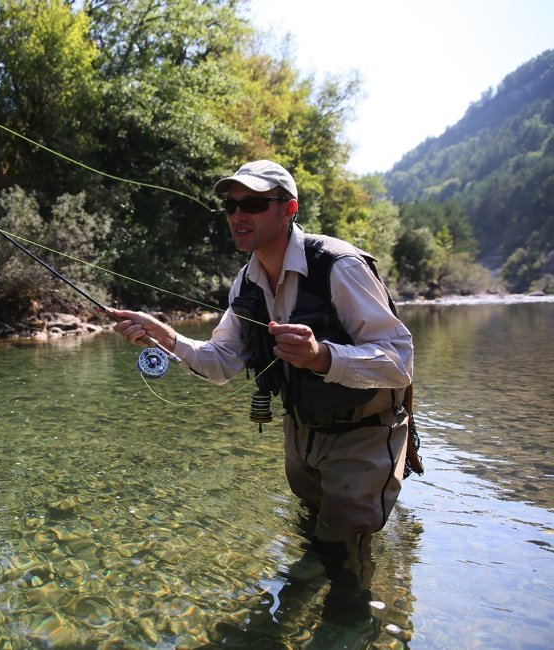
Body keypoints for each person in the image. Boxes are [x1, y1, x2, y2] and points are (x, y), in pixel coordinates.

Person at [113, 160, 415, 643]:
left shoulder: (340, 266)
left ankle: (351, 624)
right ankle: (306, 592)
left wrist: (322, 356)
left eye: (254, 204)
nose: (238, 215)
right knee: (316, 530)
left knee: (346, 557)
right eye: (231, 205)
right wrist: (167, 338)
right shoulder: (245, 284)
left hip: (365, 432)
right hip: (301, 434)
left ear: (288, 210)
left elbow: (400, 360)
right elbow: (220, 364)